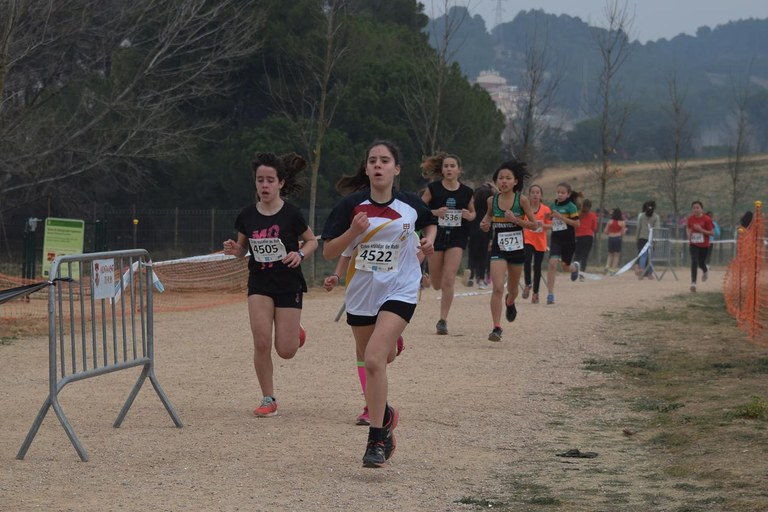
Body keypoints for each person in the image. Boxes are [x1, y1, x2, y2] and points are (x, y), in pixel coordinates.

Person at [321, 140, 437, 468]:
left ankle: (376, 440)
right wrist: (352, 233)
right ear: (366, 168)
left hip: (401, 288)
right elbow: (329, 251)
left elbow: (430, 222)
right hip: (362, 293)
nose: (378, 165)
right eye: (372, 160)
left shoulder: (410, 204)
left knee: (373, 360)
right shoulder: (350, 206)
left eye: (385, 160)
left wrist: (428, 241)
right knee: (377, 358)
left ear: (396, 169)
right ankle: (385, 414)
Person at [222, 152, 318, 418]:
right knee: (261, 341)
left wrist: (299, 254)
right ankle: (268, 398)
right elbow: (243, 249)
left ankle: (295, 331)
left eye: (270, 180)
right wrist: (235, 249)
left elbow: (312, 241)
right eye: (260, 180)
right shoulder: (247, 215)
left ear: (281, 183)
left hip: (288, 284)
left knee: (286, 351)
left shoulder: (291, 214)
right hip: (260, 284)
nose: (264, 185)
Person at [479, 159, 537, 341]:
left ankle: (510, 302)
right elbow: (488, 217)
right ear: (496, 181)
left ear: (515, 181)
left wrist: (516, 220)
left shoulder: (522, 200)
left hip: (517, 249)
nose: (504, 181)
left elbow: (534, 225)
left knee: (512, 289)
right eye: (500, 178)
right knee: (497, 287)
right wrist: (484, 223)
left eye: (508, 178)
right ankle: (496, 327)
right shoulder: (492, 200)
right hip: (499, 248)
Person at [419, 152, 475, 335]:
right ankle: (429, 276)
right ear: (442, 170)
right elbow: (419, 208)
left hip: (457, 238)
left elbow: (473, 213)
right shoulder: (433, 189)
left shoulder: (467, 192)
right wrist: (434, 212)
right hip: (436, 236)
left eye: (452, 166)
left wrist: (469, 215)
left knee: (449, 279)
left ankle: (442, 320)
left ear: (459, 170)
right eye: (446, 166)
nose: (449, 169)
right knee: (437, 284)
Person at [545, 182, 581, 305]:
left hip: (568, 240)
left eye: (562, 193)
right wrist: (548, 217)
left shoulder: (571, 206)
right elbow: (552, 221)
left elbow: (577, 224)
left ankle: (575, 267)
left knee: (566, 267)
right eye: (558, 192)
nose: (560, 194)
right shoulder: (552, 205)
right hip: (556, 239)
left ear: (568, 194)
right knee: (552, 263)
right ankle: (550, 294)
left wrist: (562, 218)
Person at [522, 184, 551, 304]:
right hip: (528, 239)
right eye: (532, 192)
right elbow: (520, 222)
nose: (535, 195)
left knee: (537, 267)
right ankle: (528, 284)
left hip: (540, 241)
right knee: (527, 260)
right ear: (529, 195)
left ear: (541, 195)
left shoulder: (546, 210)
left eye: (537, 192)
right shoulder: (525, 209)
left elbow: (552, 225)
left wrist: (543, 225)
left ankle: (535, 293)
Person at [466, 182, 494, 289]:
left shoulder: (472, 208)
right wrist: (491, 239)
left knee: (472, 256)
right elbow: (491, 224)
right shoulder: (490, 210)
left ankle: (470, 276)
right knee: (483, 257)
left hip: (473, 233)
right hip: (485, 234)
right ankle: (481, 279)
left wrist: (467, 234)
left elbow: (469, 221)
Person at [686, 201, 714, 292]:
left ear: (702, 209)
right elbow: (688, 228)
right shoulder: (690, 218)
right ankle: (693, 283)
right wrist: (688, 234)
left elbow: (712, 233)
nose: (696, 210)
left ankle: (705, 270)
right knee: (694, 261)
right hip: (693, 244)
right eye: (694, 208)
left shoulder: (707, 219)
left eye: (697, 207)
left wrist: (701, 230)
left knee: (701, 263)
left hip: (704, 245)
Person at [634, 200, 660, 280]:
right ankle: (650, 274)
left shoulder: (641, 216)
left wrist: (636, 238)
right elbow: (656, 229)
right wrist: (655, 240)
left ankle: (641, 272)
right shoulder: (656, 217)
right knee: (651, 257)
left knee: (643, 256)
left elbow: (638, 228)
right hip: (651, 239)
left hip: (642, 238)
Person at [573, 198, 597, 275]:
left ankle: (575, 271)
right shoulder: (593, 215)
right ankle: (582, 272)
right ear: (590, 207)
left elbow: (574, 226)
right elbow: (594, 228)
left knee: (577, 255)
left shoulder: (578, 215)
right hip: (588, 237)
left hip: (578, 236)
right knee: (585, 256)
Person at [602, 207, 627, 274]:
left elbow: (605, 231)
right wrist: (624, 231)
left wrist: (610, 232)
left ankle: (607, 266)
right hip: (618, 238)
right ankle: (613, 269)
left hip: (611, 238)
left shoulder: (610, 221)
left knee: (610, 254)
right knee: (616, 255)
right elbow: (622, 233)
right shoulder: (622, 222)